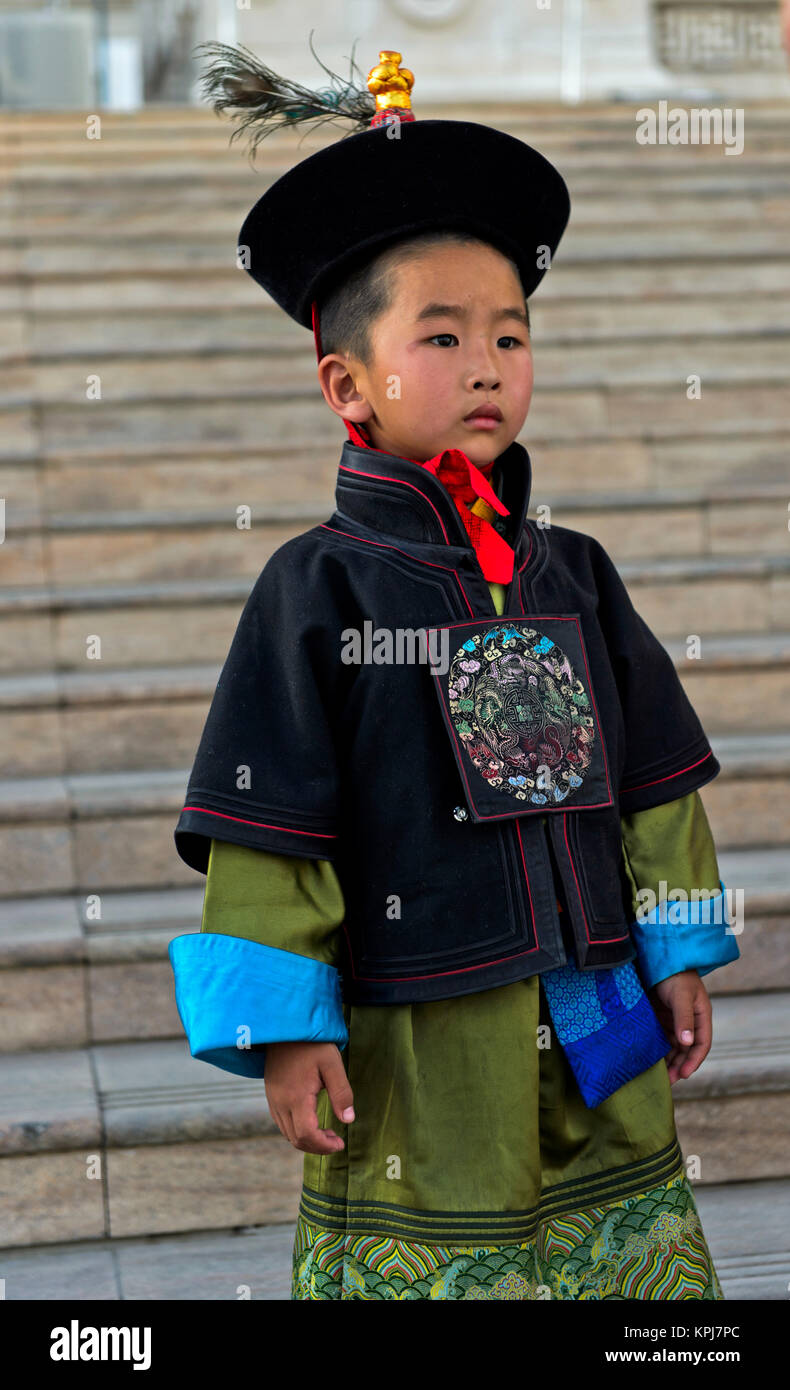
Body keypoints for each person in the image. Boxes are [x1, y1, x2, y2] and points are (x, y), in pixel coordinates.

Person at [168, 42, 740, 1300]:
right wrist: (284, 1029)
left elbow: (653, 779)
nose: (487, 362)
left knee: (622, 1266)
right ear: (348, 386)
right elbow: (272, 823)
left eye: (509, 332)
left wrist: (678, 942)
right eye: (441, 335)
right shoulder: (315, 590)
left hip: (593, 992)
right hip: (420, 1021)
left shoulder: (573, 573)